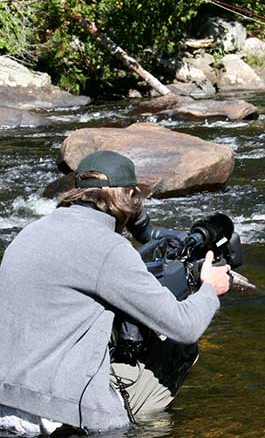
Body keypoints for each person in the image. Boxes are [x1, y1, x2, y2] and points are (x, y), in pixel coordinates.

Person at [0, 150, 232, 434]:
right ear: (131, 196)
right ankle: (149, 428)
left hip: (6, 402)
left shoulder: (30, 232)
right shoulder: (108, 248)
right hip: (58, 416)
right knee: (177, 347)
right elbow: (184, 326)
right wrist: (210, 288)